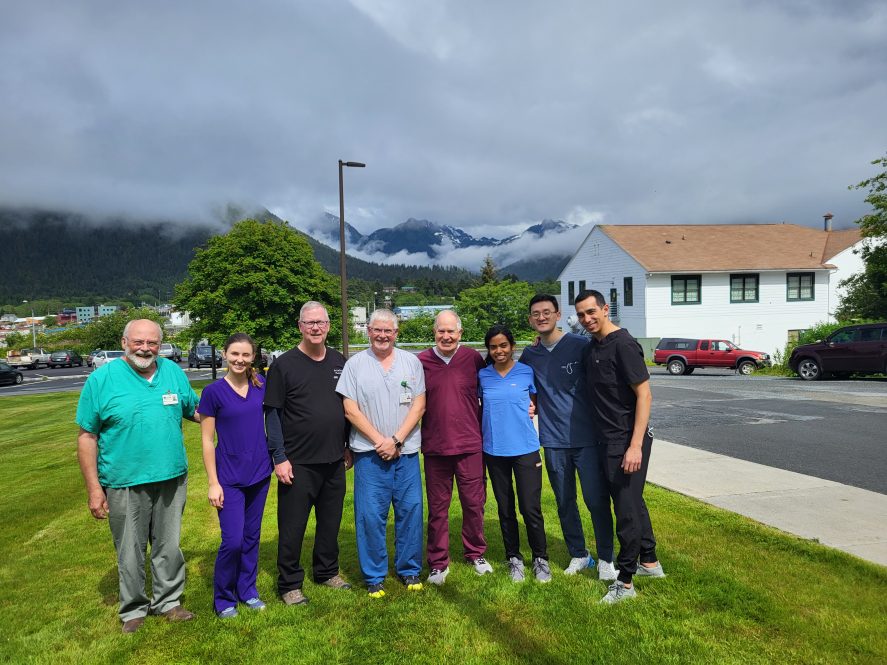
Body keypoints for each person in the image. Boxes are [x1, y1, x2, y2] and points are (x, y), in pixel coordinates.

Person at [75, 319, 199, 634]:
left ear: (161, 345)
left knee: (168, 545)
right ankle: (133, 609)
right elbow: (87, 437)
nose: (145, 348)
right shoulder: (102, 379)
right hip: (123, 480)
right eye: (138, 342)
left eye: (152, 343)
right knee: (129, 549)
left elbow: (197, 411)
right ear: (125, 342)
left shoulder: (172, 372)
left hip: (171, 476)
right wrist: (94, 490)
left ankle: (169, 602)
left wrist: (239, 412)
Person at [574, 289, 665, 604]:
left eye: (591, 312)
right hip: (605, 440)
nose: (587, 319)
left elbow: (644, 394)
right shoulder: (593, 348)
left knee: (625, 512)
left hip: (626, 440)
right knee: (633, 501)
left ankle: (625, 583)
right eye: (581, 315)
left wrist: (635, 445)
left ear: (605, 308)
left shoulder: (624, 345)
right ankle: (649, 562)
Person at [519, 294, 616, 580]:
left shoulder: (581, 346)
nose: (541, 317)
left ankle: (607, 559)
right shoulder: (530, 355)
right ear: (530, 319)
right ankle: (579, 554)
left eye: (546, 312)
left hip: (587, 438)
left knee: (596, 500)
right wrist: (529, 403)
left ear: (558, 315)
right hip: (553, 440)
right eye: (535, 314)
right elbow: (523, 388)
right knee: (564, 501)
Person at [264, 302, 352, 606]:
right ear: (300, 326)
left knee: (330, 522)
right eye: (309, 323)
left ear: (328, 326)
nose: (316, 328)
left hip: (334, 459)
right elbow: (272, 414)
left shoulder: (340, 362)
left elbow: (348, 408)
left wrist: (348, 446)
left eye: (321, 322)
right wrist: (279, 456)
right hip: (297, 462)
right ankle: (289, 583)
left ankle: (326, 571)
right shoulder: (284, 365)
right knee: (292, 527)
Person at [336, 309, 426, 597]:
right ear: (368, 331)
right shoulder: (355, 365)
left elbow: (419, 405)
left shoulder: (411, 363)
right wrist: (380, 441)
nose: (383, 335)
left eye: (389, 331)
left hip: (406, 453)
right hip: (369, 454)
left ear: (396, 334)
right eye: (377, 330)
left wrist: (397, 440)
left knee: (410, 511)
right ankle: (374, 575)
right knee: (370, 516)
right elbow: (350, 409)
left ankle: (409, 569)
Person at [198, 333, 273, 618]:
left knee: (252, 537)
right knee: (233, 540)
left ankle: (248, 591)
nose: (239, 360)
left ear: (253, 357)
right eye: (234, 354)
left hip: (259, 473)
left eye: (245, 355)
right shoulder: (213, 392)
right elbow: (207, 440)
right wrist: (213, 482)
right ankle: (224, 598)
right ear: (224, 355)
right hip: (228, 477)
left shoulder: (261, 385)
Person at [417, 310, 491, 585]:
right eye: (441, 331)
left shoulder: (473, 359)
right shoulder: (421, 361)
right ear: (434, 333)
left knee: (474, 504)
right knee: (438, 508)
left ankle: (475, 553)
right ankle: (438, 563)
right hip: (436, 447)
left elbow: (496, 383)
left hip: (470, 444)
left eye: (451, 331)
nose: (446, 336)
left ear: (460, 333)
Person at [478, 325, 551, 583]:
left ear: (512, 347)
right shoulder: (483, 376)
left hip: (526, 449)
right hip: (495, 450)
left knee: (530, 508)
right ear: (489, 349)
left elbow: (537, 401)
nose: (499, 351)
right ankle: (514, 558)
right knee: (505, 508)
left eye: (503, 345)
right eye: (493, 347)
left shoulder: (526, 372)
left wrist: (532, 408)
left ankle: (540, 559)